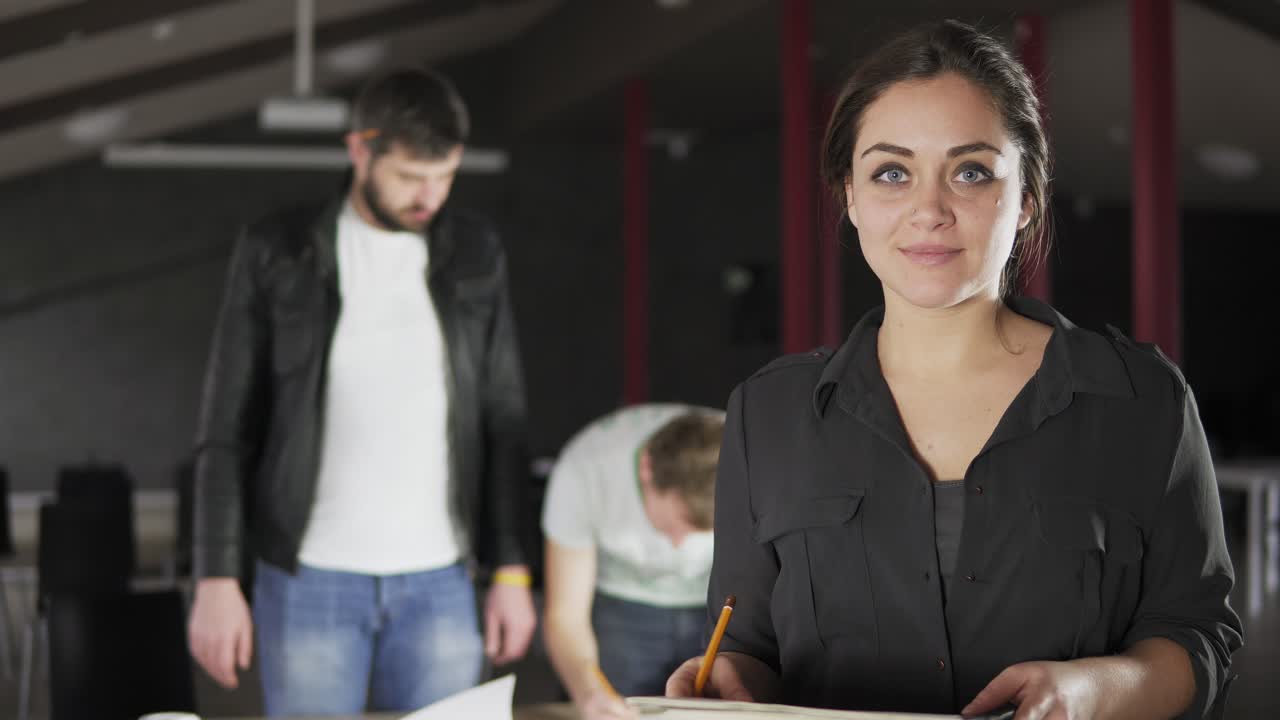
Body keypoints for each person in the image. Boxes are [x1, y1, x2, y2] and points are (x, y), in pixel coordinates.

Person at [666, 20, 1242, 720]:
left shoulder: (1142, 399)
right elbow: (748, 642)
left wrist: (1096, 690)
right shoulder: (767, 414)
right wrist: (729, 684)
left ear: (1025, 196)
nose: (929, 209)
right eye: (891, 172)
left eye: (970, 171)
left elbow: (1200, 633)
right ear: (850, 197)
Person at [186, 67, 536, 715]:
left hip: (441, 581)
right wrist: (215, 575)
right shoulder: (277, 251)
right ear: (359, 151)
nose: (429, 196)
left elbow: (503, 416)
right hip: (308, 580)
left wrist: (512, 571)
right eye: (409, 177)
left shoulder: (475, 252)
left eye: (445, 175)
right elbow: (224, 426)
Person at [542, 405, 724, 719]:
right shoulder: (585, 469)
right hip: (621, 606)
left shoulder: (752, 461)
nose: (678, 546)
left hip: (719, 605)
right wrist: (589, 694)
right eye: (673, 525)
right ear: (646, 469)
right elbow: (566, 613)